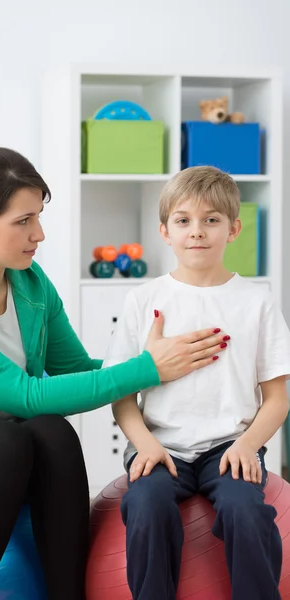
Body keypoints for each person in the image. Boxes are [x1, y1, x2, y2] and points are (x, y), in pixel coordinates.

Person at [0, 148, 229, 600]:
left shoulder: (30, 283)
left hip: (9, 450)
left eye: (39, 217)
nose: (40, 234)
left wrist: (157, 364)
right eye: (24, 221)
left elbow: (77, 369)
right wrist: (146, 369)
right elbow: (23, 396)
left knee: (53, 432)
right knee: (7, 441)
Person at [104, 166, 290, 600]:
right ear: (164, 231)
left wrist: (247, 446)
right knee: (146, 507)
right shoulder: (143, 299)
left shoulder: (257, 302)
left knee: (246, 511)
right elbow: (121, 394)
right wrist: (145, 444)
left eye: (211, 220)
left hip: (230, 445)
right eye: (184, 220)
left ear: (234, 228)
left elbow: (277, 397)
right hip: (160, 446)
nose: (197, 232)